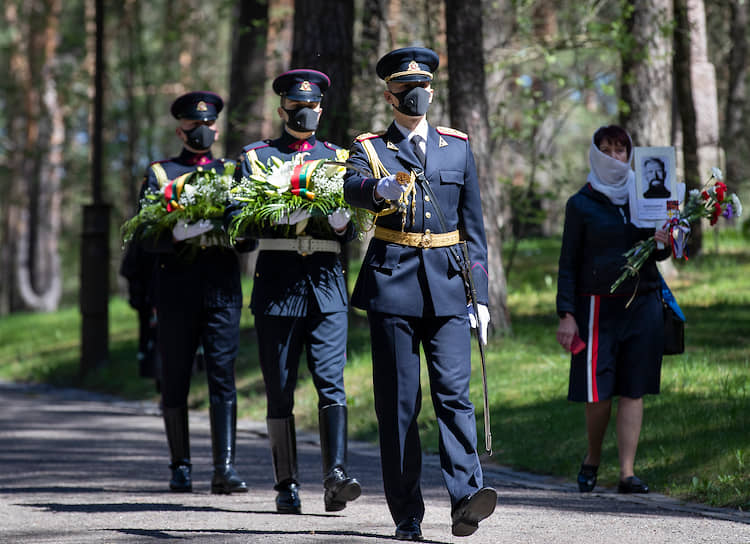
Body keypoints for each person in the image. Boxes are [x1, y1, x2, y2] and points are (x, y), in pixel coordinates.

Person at [343, 47, 496, 540]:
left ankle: (466, 498)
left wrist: (482, 296)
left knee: (454, 395)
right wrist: (377, 192)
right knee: (400, 405)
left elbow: (473, 228)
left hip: (451, 288)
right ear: (389, 95)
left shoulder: (458, 146)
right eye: (407, 89)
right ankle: (407, 514)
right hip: (393, 287)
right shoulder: (370, 148)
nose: (418, 95)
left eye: (424, 87)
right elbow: (352, 187)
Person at [234, 69, 361, 514]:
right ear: (282, 108)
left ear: (321, 108)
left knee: (332, 383)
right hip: (277, 287)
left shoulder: (340, 157)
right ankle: (286, 482)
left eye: (312, 105)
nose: (305, 111)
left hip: (326, 285)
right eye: (296, 105)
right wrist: (274, 217)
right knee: (281, 386)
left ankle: (336, 476)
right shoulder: (257, 157)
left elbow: (352, 230)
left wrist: (346, 225)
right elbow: (238, 226)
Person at [140, 91, 249, 495]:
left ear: (217, 128)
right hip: (175, 289)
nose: (201, 131)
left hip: (221, 288)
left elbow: (249, 237)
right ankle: (180, 465)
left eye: (207, 125)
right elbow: (144, 239)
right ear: (179, 129)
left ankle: (224, 468)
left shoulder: (234, 173)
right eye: (192, 125)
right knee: (176, 377)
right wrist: (176, 232)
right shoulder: (161, 173)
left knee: (223, 375)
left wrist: (236, 229)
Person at [556, 125, 671, 496]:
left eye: (620, 150)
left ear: (630, 154)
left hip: (644, 304)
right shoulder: (581, 204)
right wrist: (567, 314)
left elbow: (662, 252)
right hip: (596, 308)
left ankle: (627, 473)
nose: (614, 157)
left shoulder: (648, 196)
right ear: (595, 155)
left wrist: (664, 239)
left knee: (633, 389)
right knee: (598, 392)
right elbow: (567, 263)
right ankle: (592, 458)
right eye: (606, 150)